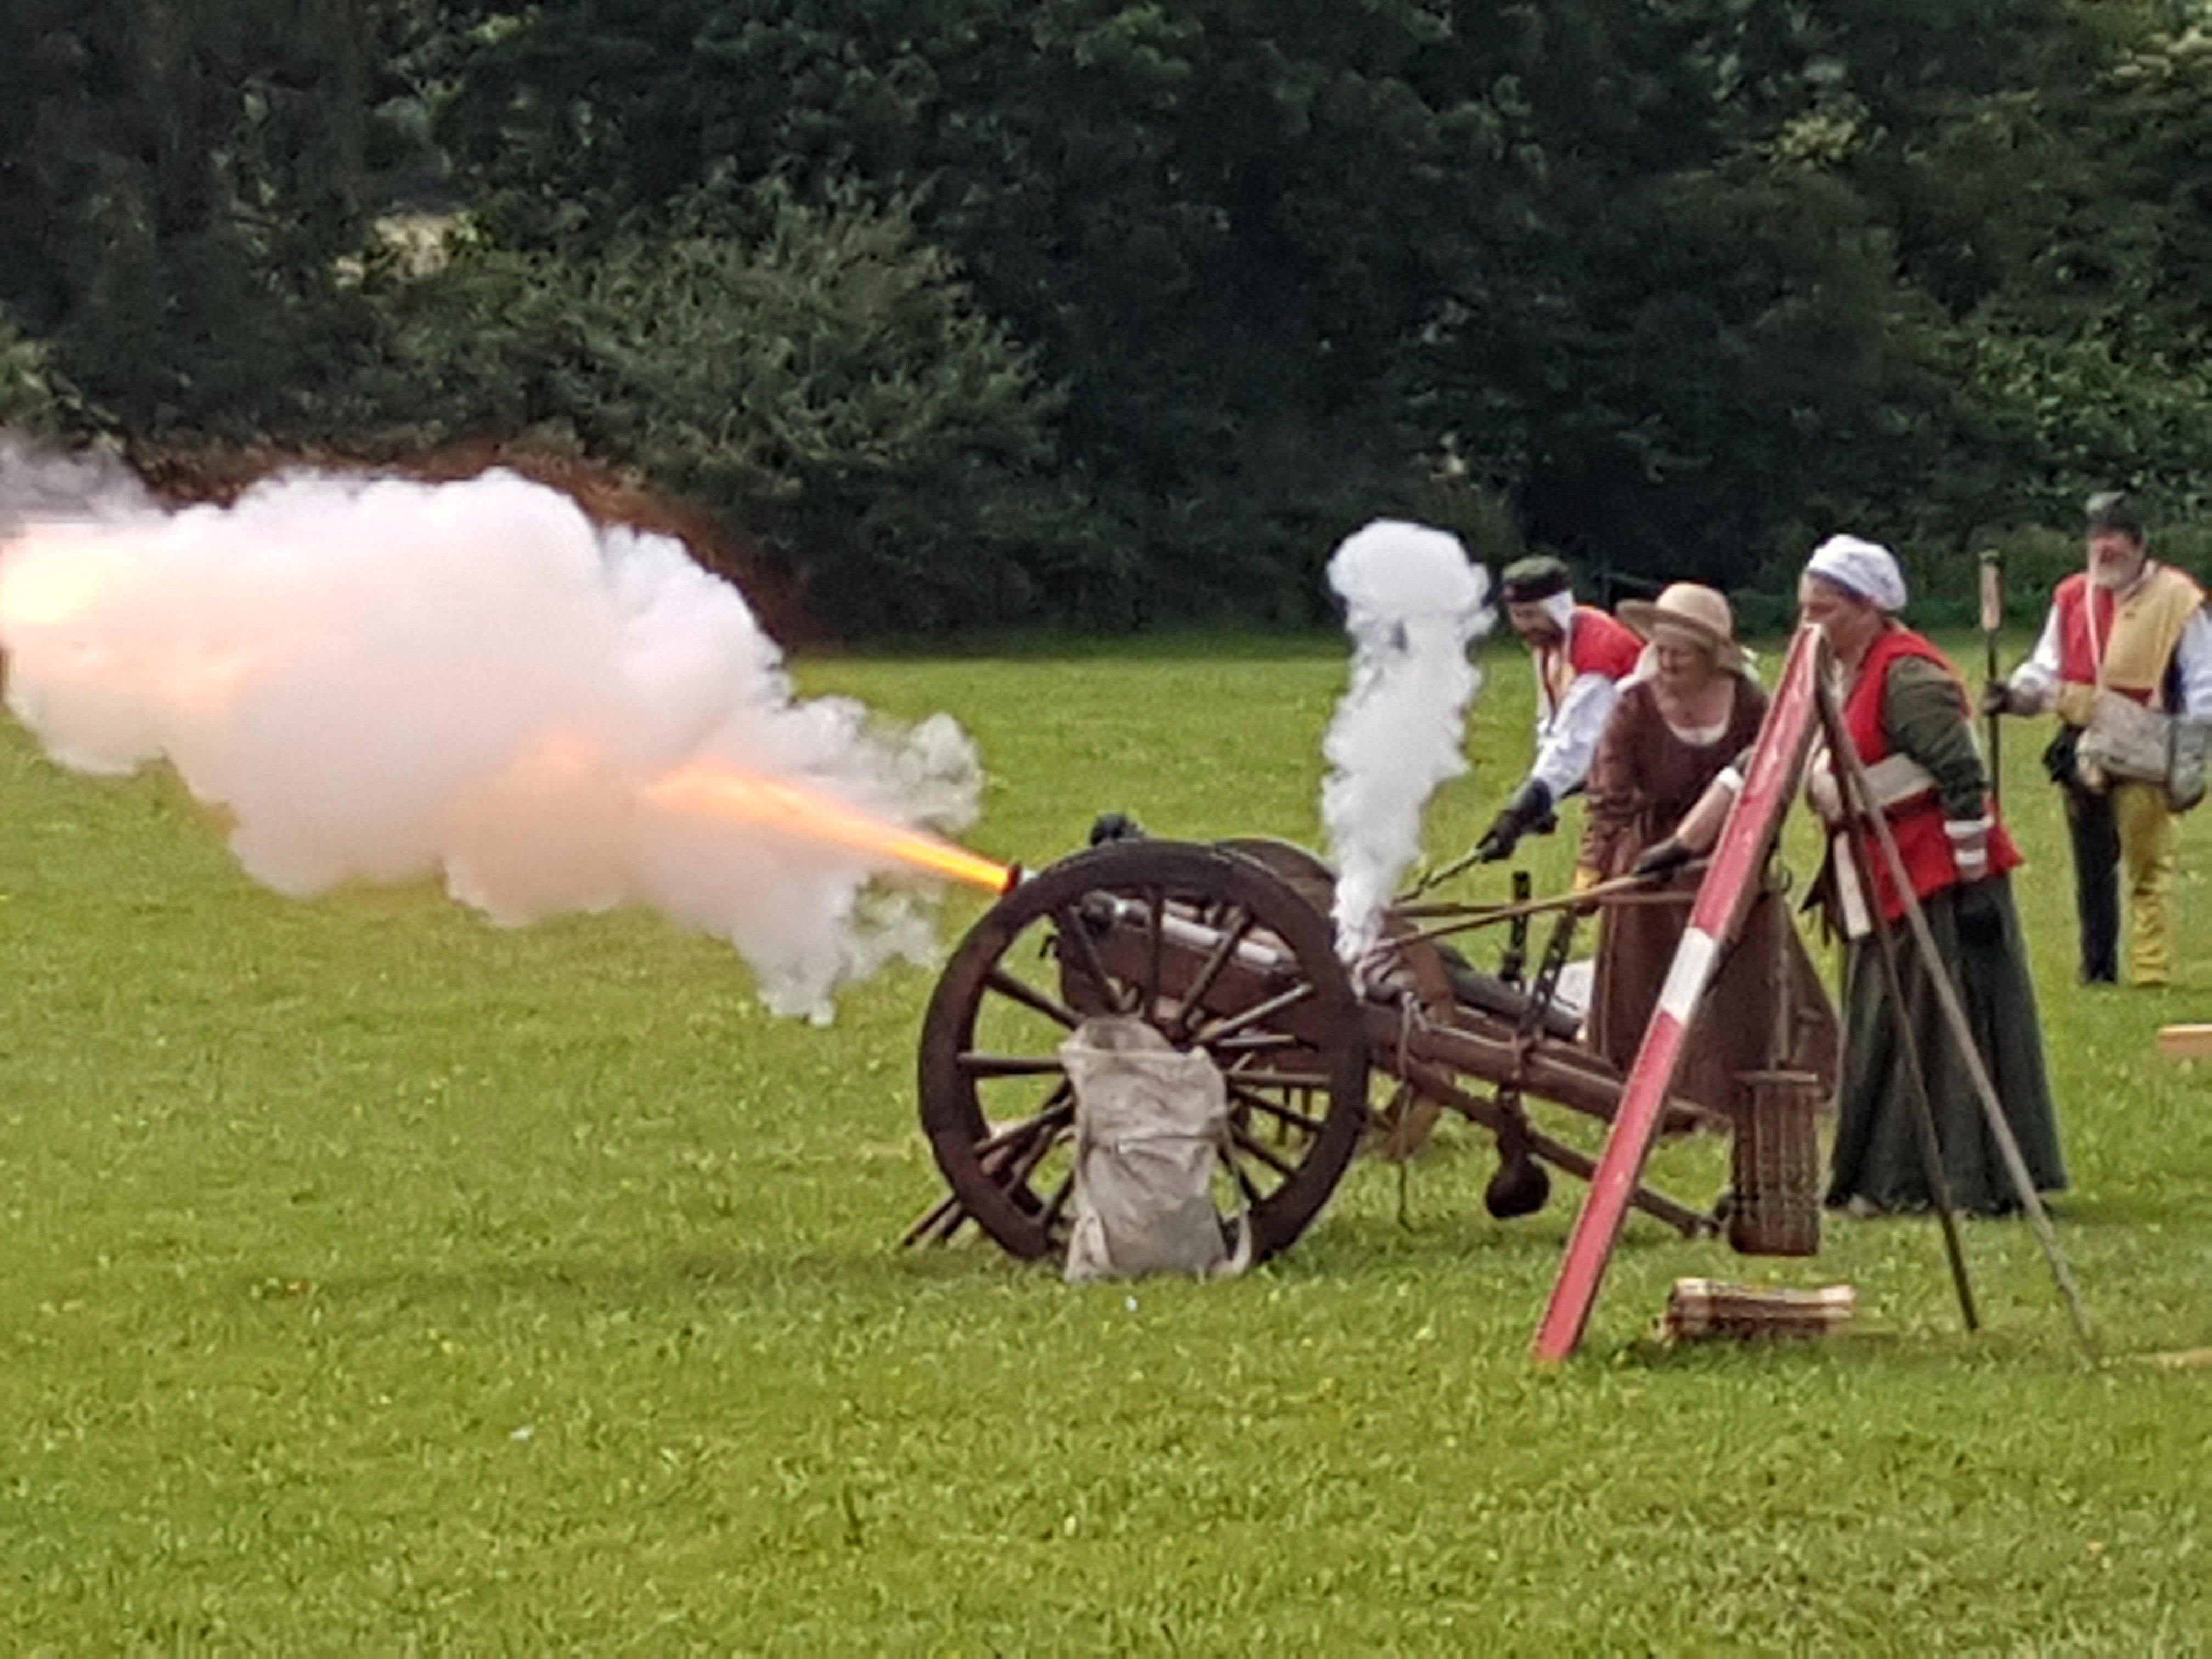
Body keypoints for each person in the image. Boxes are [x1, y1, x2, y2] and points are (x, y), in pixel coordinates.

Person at [1798, 534, 2065, 1216]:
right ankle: (1889, 1172)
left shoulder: (1909, 676)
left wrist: (1974, 881)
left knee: (1944, 1034)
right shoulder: (1841, 672)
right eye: (1807, 610)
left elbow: (1963, 780)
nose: (1811, 626)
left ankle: (1958, 1176)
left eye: (1824, 611)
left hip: (1937, 882)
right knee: (1889, 1027)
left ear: (1868, 607)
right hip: (1883, 875)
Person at [1573, 583, 1837, 1114]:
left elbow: (1772, 775)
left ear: (1710, 656)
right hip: (1653, 864)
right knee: (1649, 978)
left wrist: (1756, 848)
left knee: (1739, 979)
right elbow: (1609, 798)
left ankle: (1733, 1085)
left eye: (1681, 653)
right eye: (1661, 649)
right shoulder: (1634, 706)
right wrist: (1593, 868)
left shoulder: (1748, 702)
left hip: (1730, 858)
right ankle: (1643, 1090)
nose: (1666, 661)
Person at [1985, 491, 2212, 986]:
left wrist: (2192, 755)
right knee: (2092, 866)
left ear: (2138, 545)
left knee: (2149, 866)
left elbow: (2203, 680)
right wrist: (2015, 694)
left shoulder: (2178, 599)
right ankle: (2099, 968)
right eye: (2097, 542)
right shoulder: (2071, 597)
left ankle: (2151, 970)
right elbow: (2049, 666)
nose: (2103, 552)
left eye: (2113, 542)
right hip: (2082, 736)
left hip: (2146, 745)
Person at [1473, 554, 1642, 862]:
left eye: (1531, 615)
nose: (1524, 626)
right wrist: (1543, 798)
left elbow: (1578, 743)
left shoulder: (1597, 651)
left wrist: (1531, 801)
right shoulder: (1551, 645)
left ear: (1557, 608)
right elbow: (1552, 726)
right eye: (1517, 616)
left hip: (1650, 779)